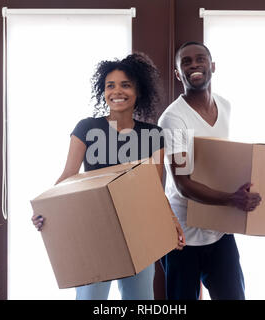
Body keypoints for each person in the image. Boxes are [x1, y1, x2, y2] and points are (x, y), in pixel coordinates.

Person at [31, 52, 185, 300]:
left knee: (140, 299)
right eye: (110, 85)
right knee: (90, 297)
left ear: (138, 92)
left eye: (126, 85)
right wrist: (46, 210)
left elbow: (155, 190)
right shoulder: (87, 128)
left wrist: (171, 223)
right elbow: (68, 176)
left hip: (138, 229)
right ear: (103, 91)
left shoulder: (153, 135)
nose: (117, 91)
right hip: (95, 227)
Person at [158, 41, 262, 300]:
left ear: (212, 66)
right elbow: (182, 183)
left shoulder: (225, 106)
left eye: (200, 58)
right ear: (177, 73)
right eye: (186, 61)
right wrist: (231, 199)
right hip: (182, 235)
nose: (194, 64)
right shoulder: (173, 119)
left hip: (218, 228)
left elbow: (220, 163)